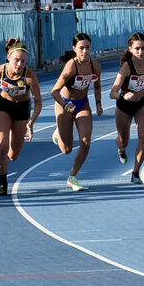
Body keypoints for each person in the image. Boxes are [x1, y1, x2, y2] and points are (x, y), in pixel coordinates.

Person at [0, 38, 42, 196]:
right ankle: (3, 183)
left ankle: (9, 143)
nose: (19, 64)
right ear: (9, 58)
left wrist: (31, 122)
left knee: (13, 155)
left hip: (22, 109)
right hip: (4, 106)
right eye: (16, 60)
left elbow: (39, 103)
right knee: (2, 147)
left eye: (23, 61)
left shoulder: (29, 76)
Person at [109, 33, 144, 184]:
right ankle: (120, 148)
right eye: (137, 49)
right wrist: (122, 95)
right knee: (123, 140)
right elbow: (112, 92)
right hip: (124, 106)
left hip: (143, 103)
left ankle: (136, 172)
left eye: (143, 48)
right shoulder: (127, 67)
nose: (140, 52)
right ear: (130, 49)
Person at [50, 33, 102, 191]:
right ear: (74, 49)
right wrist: (65, 106)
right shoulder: (71, 66)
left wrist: (98, 103)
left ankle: (73, 177)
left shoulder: (95, 66)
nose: (85, 51)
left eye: (87, 47)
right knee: (66, 150)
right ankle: (58, 133)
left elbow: (97, 86)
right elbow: (54, 92)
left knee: (86, 142)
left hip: (82, 104)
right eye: (81, 48)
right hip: (64, 104)